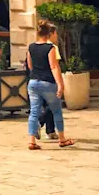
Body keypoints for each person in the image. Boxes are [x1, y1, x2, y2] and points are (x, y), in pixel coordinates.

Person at [26, 20, 73, 149]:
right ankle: (62, 139)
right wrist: (60, 84)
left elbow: (30, 65)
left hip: (33, 82)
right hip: (48, 82)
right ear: (48, 34)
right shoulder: (50, 48)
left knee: (34, 112)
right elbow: (54, 66)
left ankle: (31, 141)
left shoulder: (31, 47)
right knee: (56, 110)